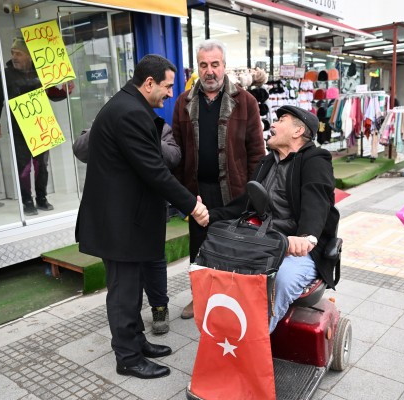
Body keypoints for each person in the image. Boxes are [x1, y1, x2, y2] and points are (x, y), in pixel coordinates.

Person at [76, 54, 209, 379]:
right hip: (117, 224)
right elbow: (153, 170)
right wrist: (192, 205)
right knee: (124, 292)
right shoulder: (130, 113)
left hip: (125, 221)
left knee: (132, 289)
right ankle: (128, 357)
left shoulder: (130, 106)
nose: (169, 93)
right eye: (166, 86)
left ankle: (136, 341)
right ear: (148, 83)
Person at [209, 105, 339, 332]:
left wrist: (306, 237)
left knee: (281, 280)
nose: (274, 124)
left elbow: (316, 200)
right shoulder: (267, 162)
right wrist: (209, 215)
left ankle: (253, 342)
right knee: (221, 264)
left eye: (282, 120)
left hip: (296, 248)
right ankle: (227, 330)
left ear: (298, 132)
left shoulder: (315, 159)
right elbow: (245, 202)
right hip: (263, 241)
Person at [172, 39, 265, 319]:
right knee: (198, 246)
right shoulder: (184, 102)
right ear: (197, 68)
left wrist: (251, 192)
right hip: (198, 191)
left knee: (232, 245)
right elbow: (176, 149)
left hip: (234, 191)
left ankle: (231, 299)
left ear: (224, 66)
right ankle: (199, 298)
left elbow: (257, 153)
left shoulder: (245, 101)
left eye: (215, 64)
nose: (209, 71)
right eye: (204, 65)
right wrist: (182, 193)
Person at [72, 123, 179, 334]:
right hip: (114, 211)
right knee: (121, 267)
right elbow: (81, 150)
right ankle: (130, 318)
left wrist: (141, 134)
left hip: (149, 208)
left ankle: (159, 307)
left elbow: (173, 157)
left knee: (154, 260)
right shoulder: (102, 123)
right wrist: (106, 126)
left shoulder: (156, 125)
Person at [0, 37, 71, 216]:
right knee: (24, 166)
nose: (15, 57)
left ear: (28, 56)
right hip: (19, 128)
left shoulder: (41, 71)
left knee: (42, 165)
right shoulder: (6, 75)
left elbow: (53, 95)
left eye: (18, 53)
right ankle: (27, 200)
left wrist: (65, 91)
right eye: (13, 53)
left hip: (41, 126)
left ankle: (41, 198)